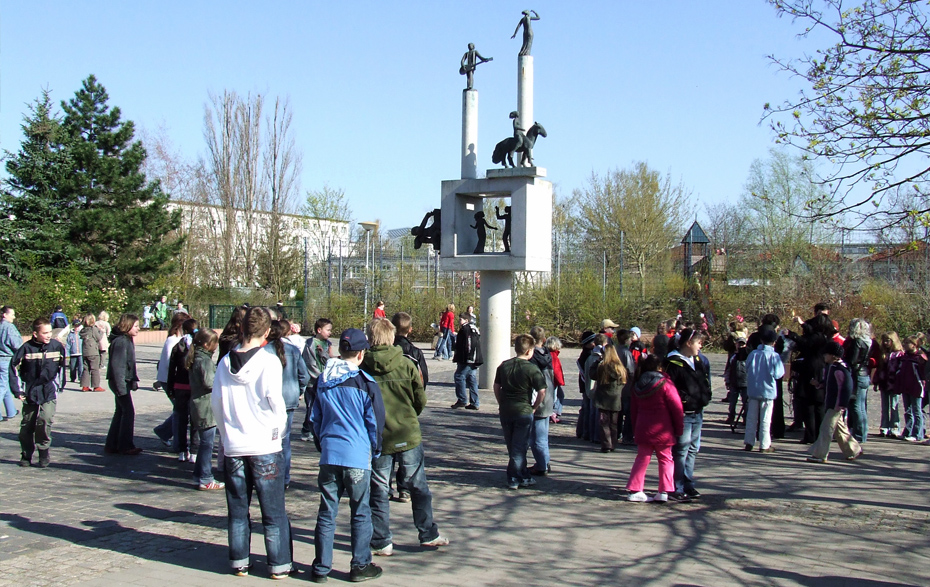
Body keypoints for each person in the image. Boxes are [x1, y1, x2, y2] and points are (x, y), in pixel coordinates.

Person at [213, 306, 294, 578]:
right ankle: (279, 564)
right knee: (273, 513)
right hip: (264, 445)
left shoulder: (225, 362)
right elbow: (276, 402)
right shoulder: (268, 360)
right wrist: (278, 431)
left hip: (234, 445)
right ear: (267, 332)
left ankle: (239, 561)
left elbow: (217, 403)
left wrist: (225, 437)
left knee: (238, 511)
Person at [362, 319, 448, 558]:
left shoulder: (362, 366)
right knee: (418, 486)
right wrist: (410, 415)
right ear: (391, 337)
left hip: (378, 435)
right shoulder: (407, 363)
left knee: (378, 489)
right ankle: (428, 533)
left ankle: (381, 540)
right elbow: (420, 399)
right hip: (407, 432)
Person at [309, 328, 386, 583]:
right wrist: (375, 450)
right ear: (361, 354)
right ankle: (360, 565)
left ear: (341, 351)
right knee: (360, 511)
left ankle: (321, 567)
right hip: (357, 455)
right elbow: (374, 422)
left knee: (327, 512)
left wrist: (322, 444)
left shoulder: (323, 380)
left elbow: (314, 418)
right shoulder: (365, 383)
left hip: (330, 454)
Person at [626, 356, 683, 503]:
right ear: (659, 368)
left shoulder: (637, 384)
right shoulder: (665, 383)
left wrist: (634, 427)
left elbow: (633, 410)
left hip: (642, 426)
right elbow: (676, 407)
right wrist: (679, 428)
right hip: (663, 428)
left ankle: (635, 489)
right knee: (666, 459)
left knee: (642, 458)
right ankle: (664, 490)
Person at [9, 317, 65, 467]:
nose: (48, 335)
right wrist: (18, 390)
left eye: (50, 332)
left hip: (48, 391)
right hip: (30, 392)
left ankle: (44, 451)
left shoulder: (56, 347)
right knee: (27, 425)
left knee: (45, 420)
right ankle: (26, 454)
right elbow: (13, 367)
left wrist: (59, 385)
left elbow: (61, 367)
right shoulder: (26, 348)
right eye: (45, 333)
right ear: (35, 334)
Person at [664, 328, 712, 502]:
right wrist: (684, 400)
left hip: (698, 410)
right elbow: (670, 388)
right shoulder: (673, 362)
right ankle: (677, 486)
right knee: (681, 449)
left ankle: (688, 483)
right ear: (688, 343)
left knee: (693, 449)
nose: (701, 346)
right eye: (698, 342)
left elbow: (704, 380)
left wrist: (706, 395)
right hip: (683, 413)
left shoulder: (697, 360)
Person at [494, 334, 546, 490]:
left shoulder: (504, 366)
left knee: (512, 445)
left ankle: (523, 474)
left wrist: (501, 402)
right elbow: (542, 391)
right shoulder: (532, 369)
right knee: (520, 446)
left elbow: (496, 387)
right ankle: (514, 477)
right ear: (530, 351)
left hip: (506, 409)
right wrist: (535, 407)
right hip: (523, 409)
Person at [268, 319, 310, 489]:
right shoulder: (293, 350)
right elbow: (304, 375)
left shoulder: (264, 350)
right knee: (284, 441)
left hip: (270, 399)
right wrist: (299, 390)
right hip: (289, 398)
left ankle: (270, 475)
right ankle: (284, 478)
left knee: (269, 439)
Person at [807, 341, 863, 462]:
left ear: (832, 355)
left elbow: (846, 389)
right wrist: (819, 384)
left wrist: (841, 404)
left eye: (826, 354)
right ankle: (853, 450)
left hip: (836, 405)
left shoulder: (840, 369)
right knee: (840, 430)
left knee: (826, 429)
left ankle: (820, 454)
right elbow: (829, 384)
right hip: (833, 404)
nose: (824, 356)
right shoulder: (833, 368)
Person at [187, 328, 224, 490]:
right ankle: (205, 477)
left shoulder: (196, 358)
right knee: (207, 444)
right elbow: (209, 382)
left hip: (199, 404)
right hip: (205, 406)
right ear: (207, 344)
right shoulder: (204, 361)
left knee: (204, 443)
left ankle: (198, 475)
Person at [104, 314, 142, 456]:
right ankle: (125, 445)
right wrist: (121, 387)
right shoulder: (121, 341)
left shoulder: (126, 340)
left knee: (120, 412)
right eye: (136, 326)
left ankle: (112, 444)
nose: (138, 329)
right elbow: (118, 366)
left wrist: (132, 379)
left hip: (123, 381)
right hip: (119, 382)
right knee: (128, 412)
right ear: (128, 326)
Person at [152, 312, 191, 448]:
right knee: (180, 411)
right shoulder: (173, 340)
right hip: (171, 380)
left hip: (171, 379)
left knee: (180, 409)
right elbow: (170, 362)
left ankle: (164, 432)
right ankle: (172, 438)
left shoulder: (178, 339)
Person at [744, 328, 785, 452]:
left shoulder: (753, 354)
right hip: (768, 391)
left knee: (751, 418)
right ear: (774, 342)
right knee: (766, 419)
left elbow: (747, 367)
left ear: (761, 340)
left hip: (753, 390)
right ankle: (764, 444)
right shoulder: (774, 356)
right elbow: (779, 374)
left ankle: (749, 442)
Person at [166, 319, 198, 463]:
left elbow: (171, 368)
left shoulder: (177, 347)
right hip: (194, 386)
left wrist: (170, 387)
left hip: (179, 386)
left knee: (181, 420)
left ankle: (182, 450)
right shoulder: (198, 345)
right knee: (195, 421)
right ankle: (194, 451)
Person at [300, 317, 336, 442]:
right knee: (311, 406)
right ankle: (306, 430)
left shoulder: (327, 344)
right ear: (319, 330)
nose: (329, 333)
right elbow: (310, 363)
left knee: (321, 406)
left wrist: (325, 355)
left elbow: (328, 360)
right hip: (313, 382)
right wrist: (319, 376)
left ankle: (317, 429)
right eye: (328, 330)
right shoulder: (311, 344)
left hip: (323, 380)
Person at [527, 326, 554, 474]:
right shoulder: (548, 355)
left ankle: (542, 464)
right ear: (544, 340)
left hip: (537, 397)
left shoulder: (532, 358)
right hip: (549, 396)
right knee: (543, 435)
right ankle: (545, 461)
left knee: (536, 437)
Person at [594, 345, 627, 453]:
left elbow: (592, 375)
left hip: (603, 398)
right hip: (616, 398)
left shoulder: (603, 367)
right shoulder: (620, 368)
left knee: (604, 422)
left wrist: (596, 362)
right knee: (614, 423)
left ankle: (606, 444)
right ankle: (613, 443)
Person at [843, 319, 872, 443]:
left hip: (857, 374)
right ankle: (861, 433)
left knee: (856, 406)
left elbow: (853, 360)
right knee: (861, 406)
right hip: (864, 374)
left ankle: (859, 434)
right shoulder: (867, 341)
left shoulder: (856, 342)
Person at [894, 334, 927, 442]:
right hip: (905, 386)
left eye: (908, 343)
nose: (905, 345)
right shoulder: (904, 357)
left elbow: (923, 374)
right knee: (907, 411)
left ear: (914, 345)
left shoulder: (919, 358)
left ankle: (918, 434)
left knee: (917, 410)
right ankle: (907, 431)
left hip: (916, 387)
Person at [450, 312, 483, 410]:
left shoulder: (465, 330)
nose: (459, 321)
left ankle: (462, 400)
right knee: (471, 379)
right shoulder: (474, 329)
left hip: (467, 359)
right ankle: (475, 402)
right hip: (475, 358)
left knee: (459, 376)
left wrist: (467, 356)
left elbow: (469, 344)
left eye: (461, 319)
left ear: (466, 320)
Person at [874, 332, 904, 437]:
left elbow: (901, 370)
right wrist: (876, 381)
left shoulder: (899, 354)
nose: (886, 343)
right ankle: (884, 427)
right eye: (884, 341)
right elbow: (879, 369)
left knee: (893, 406)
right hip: (884, 383)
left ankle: (895, 428)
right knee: (884, 406)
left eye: (888, 340)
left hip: (894, 383)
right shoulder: (883, 354)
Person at [0, 306, 22, 421]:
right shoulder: (9, 327)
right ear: (5, 315)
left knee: (5, 385)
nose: (14, 317)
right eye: (12, 314)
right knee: (2, 386)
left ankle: (11, 411)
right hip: (6, 358)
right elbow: (16, 344)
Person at [79, 314, 104, 392]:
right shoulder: (93, 329)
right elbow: (99, 337)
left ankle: (85, 386)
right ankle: (96, 386)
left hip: (85, 351)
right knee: (94, 369)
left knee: (86, 368)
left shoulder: (83, 330)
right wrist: (101, 331)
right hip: (93, 351)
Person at [546, 336, 565, 424]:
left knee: (557, 396)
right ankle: (554, 412)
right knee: (556, 396)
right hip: (553, 381)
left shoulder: (547, 354)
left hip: (549, 379)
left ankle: (553, 412)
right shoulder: (554, 356)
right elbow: (556, 370)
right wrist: (560, 381)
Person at [66, 318, 83, 384]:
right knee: (72, 366)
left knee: (80, 366)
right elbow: (68, 344)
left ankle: (80, 377)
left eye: (78, 326)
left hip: (81, 353)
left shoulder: (81, 334)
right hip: (73, 353)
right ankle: (72, 377)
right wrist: (67, 353)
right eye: (75, 326)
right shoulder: (70, 334)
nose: (77, 328)